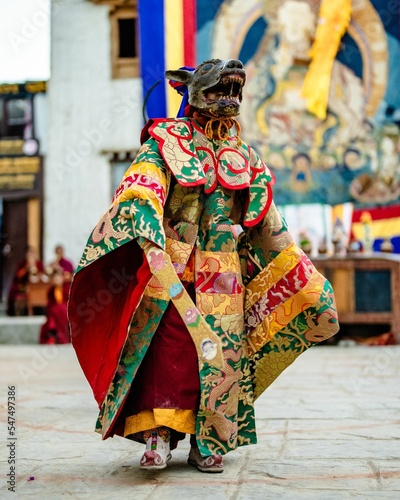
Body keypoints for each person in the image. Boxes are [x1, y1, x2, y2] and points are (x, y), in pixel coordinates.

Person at [69, 59, 339, 473]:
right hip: (172, 270)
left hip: (225, 276)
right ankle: (158, 434)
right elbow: (143, 184)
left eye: (233, 90)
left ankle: (208, 441)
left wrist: (303, 277)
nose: (228, 95)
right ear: (189, 90)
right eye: (217, 85)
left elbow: (268, 223)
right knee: (166, 353)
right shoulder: (166, 142)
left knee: (222, 359)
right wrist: (142, 205)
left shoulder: (245, 155)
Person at [7, 246, 46, 316]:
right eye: (29, 254)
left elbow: (42, 274)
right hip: (25, 285)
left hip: (36, 285)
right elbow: (18, 275)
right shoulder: (23, 264)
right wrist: (26, 268)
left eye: (32, 254)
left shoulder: (39, 264)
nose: (31, 256)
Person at [39, 269, 70, 344]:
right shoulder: (51, 290)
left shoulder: (67, 287)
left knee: (58, 310)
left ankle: (58, 337)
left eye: (58, 278)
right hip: (55, 311)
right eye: (55, 278)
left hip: (66, 309)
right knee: (53, 311)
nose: (57, 280)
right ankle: (53, 336)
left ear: (62, 278)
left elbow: (71, 301)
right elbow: (50, 303)